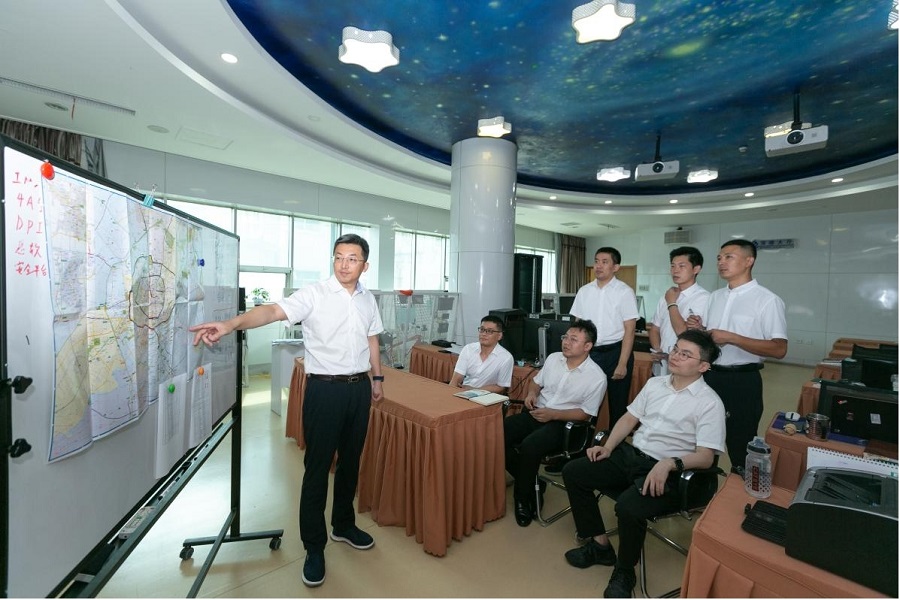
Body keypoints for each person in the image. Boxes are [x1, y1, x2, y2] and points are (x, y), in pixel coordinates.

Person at [189, 233, 383, 588]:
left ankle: (343, 524)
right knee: (317, 468)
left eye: (352, 258)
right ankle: (314, 546)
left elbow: (372, 338)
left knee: (351, 461)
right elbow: (272, 311)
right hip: (325, 390)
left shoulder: (368, 299)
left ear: (364, 265)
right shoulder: (315, 294)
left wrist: (378, 377)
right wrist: (231, 324)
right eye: (338, 257)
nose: (343, 264)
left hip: (359, 389)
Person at [560, 329, 725, 599]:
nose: (675, 356)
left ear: (703, 366)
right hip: (632, 456)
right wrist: (607, 447)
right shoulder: (655, 384)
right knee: (574, 472)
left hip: (670, 472)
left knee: (628, 507)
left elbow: (706, 456)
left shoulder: (709, 403)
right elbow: (629, 418)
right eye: (675, 349)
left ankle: (625, 571)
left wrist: (670, 463)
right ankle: (600, 545)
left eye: (686, 354)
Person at [686, 239, 787, 473]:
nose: (721, 262)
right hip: (710, 376)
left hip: (742, 380)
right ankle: (702, 489)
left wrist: (733, 338)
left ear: (749, 261)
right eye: (719, 258)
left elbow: (779, 349)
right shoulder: (715, 296)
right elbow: (713, 336)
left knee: (740, 441)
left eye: (729, 257)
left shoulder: (767, 300)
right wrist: (701, 329)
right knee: (702, 439)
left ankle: (739, 490)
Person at [504, 319, 607, 527]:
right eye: (565, 337)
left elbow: (585, 414)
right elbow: (536, 383)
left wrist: (553, 415)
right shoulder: (553, 359)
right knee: (497, 433)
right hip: (538, 412)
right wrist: (531, 394)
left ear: (588, 346)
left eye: (573, 339)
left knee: (530, 446)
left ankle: (523, 498)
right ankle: (533, 481)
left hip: (565, 424)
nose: (566, 342)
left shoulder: (596, 377)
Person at [570, 247, 639, 429]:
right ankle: (582, 441)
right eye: (596, 261)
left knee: (617, 403)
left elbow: (630, 330)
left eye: (604, 262)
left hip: (616, 353)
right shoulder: (584, 291)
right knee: (584, 401)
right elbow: (577, 326)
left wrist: (622, 363)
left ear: (615, 267)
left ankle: (615, 444)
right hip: (589, 353)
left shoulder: (624, 292)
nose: (598, 266)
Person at [648, 246, 710, 376]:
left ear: (696, 269)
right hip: (662, 364)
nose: (675, 270)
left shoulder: (704, 298)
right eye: (673, 266)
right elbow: (654, 328)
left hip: (685, 367)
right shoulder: (667, 295)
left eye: (682, 266)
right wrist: (657, 349)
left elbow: (683, 333)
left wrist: (671, 303)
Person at [448, 315, 514, 394]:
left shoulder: (506, 358)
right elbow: (457, 378)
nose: (483, 334)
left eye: (489, 331)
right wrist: (449, 394)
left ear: (499, 336)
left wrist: (475, 390)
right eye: (482, 330)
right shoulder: (468, 349)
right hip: (464, 392)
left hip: (487, 396)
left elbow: (501, 387)